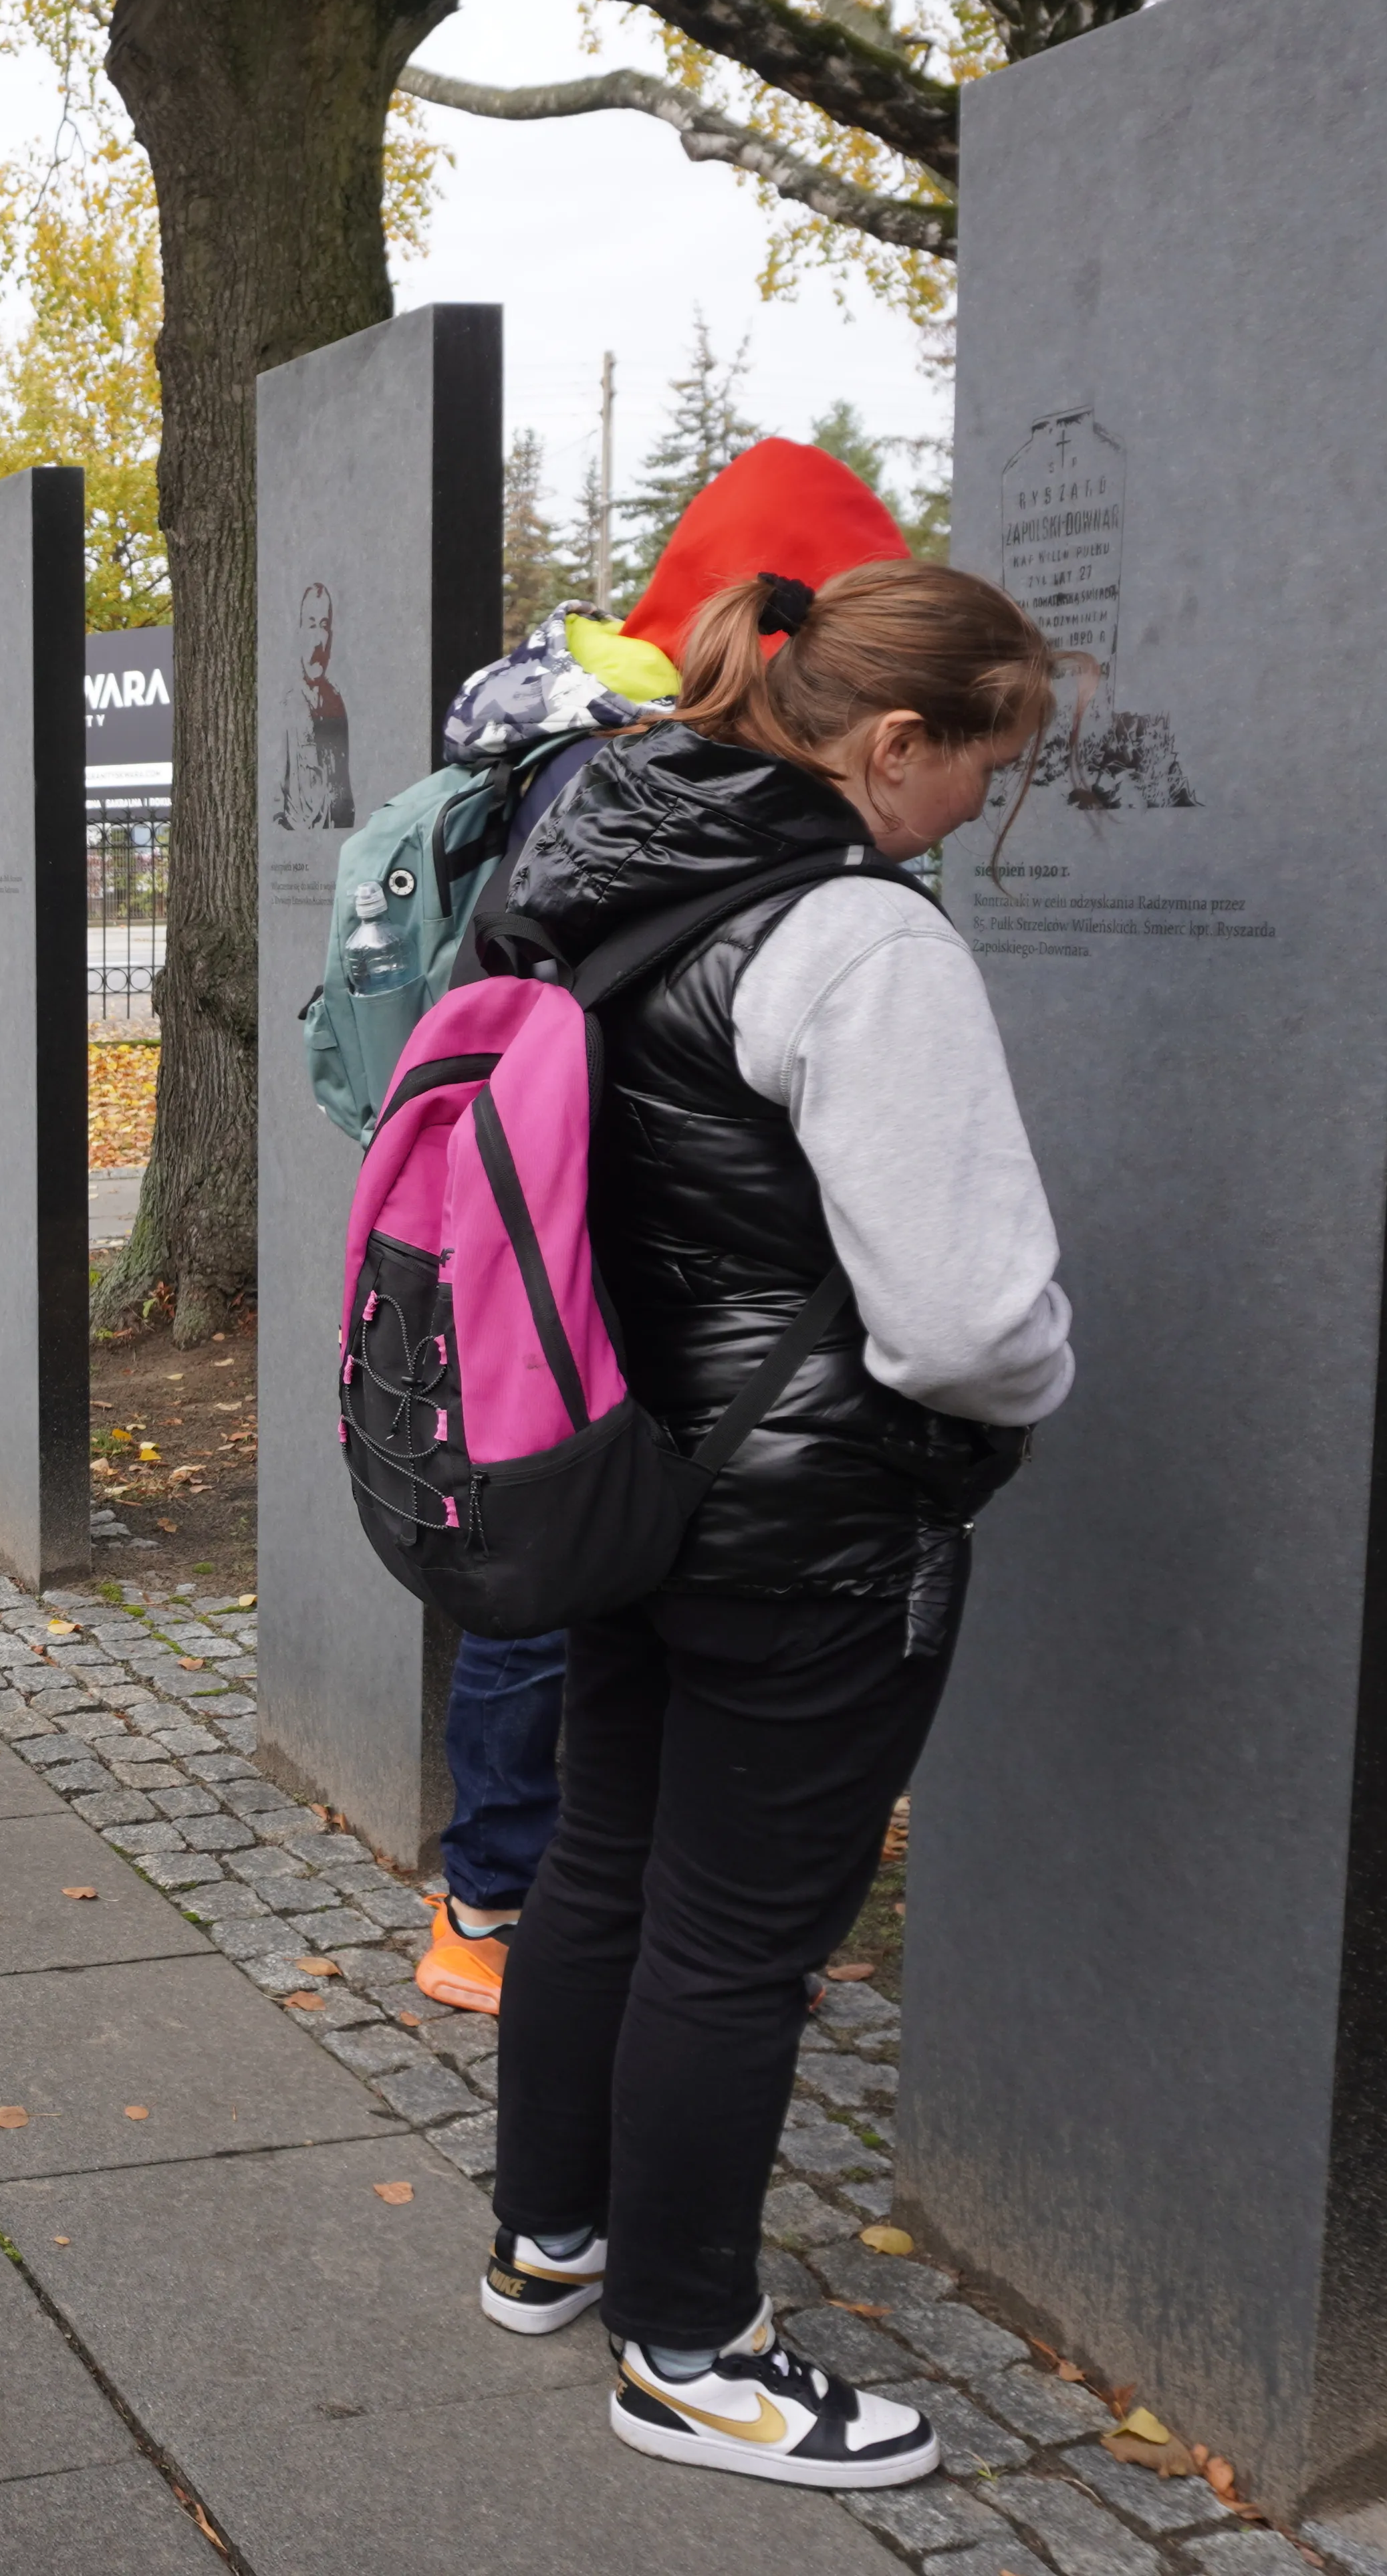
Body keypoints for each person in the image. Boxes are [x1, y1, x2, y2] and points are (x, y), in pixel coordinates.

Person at [475, 559, 1074, 2491]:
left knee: (603, 1862)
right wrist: (1037, 1381)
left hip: (617, 1465)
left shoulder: (596, 863)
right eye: (990, 763)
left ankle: (550, 2236)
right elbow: (966, 1321)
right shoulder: (860, 938)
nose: (986, 804)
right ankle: (690, 2351)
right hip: (814, 1518)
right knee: (736, 1936)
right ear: (894, 743)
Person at [413, 440, 920, 2018]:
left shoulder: (612, 749)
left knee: (564, 1586)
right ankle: (502, 1900)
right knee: (555, 1582)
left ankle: (539, 1910)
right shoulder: (637, 767)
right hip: (598, 1261)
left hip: (563, 1238)